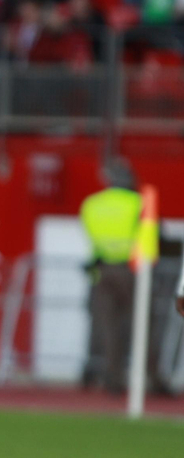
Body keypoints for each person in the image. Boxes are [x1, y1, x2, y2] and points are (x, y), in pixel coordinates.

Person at [80, 162, 142, 394]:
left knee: (106, 328)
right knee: (144, 325)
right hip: (132, 272)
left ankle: (110, 377)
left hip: (101, 270)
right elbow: (152, 238)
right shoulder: (137, 203)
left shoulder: (92, 204)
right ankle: (152, 378)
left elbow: (92, 237)